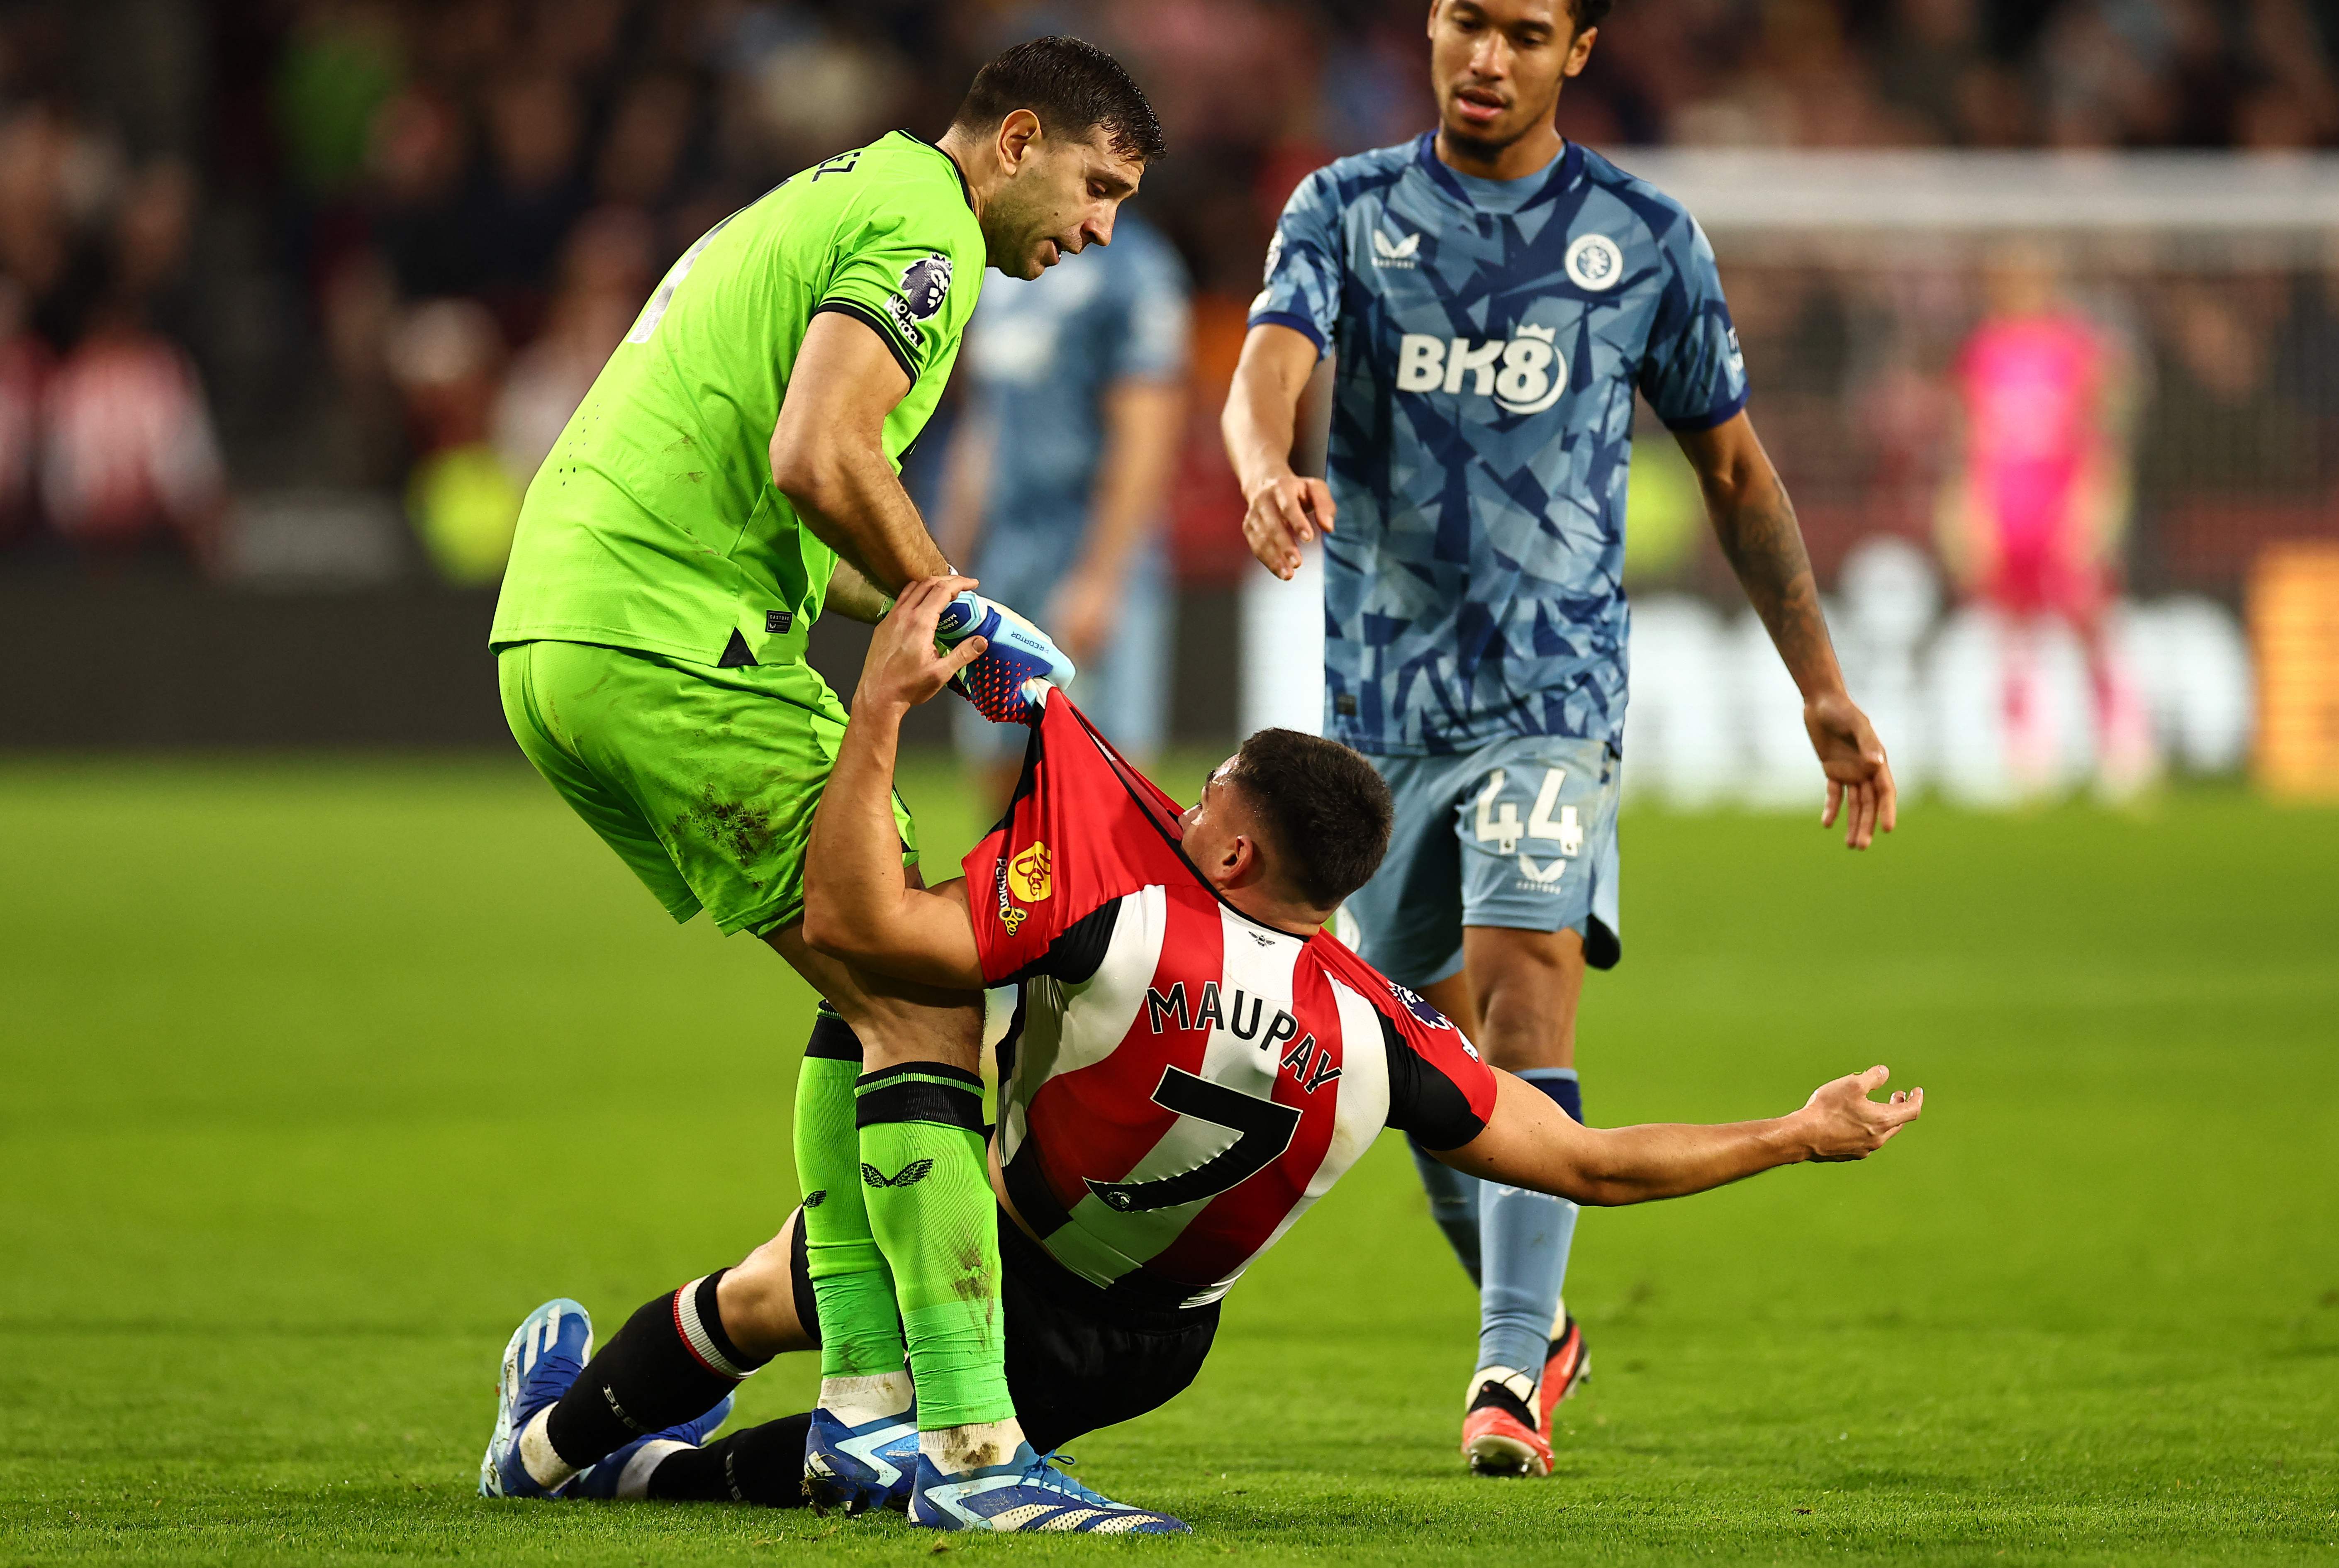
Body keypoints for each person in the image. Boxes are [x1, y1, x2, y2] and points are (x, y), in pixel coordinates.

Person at [477, 577, 1924, 1532]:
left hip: (996, 1250)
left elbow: (862, 925)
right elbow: (1591, 1168)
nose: (1181, 809)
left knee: (806, 1217)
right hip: (1148, 1349)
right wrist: (1794, 1133)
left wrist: (881, 708)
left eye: (1206, 800)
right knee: (850, 1466)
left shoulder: (1117, 921)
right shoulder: (1387, 1028)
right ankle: (667, 1474)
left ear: (1231, 846)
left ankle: (547, 1451)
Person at [478, 37, 1176, 1533]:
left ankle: (858, 1405)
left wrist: (940, 603)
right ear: (1019, 140)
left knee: (874, 976)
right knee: (931, 989)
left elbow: (784, 487)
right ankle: (974, 1447)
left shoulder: (840, 194)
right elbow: (818, 450)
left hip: (566, 630)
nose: (1103, 226)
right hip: (672, 639)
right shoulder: (930, 228)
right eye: (1098, 186)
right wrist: (956, 603)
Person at [1220, 0, 1900, 1478]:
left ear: (1578, 51)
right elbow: (1265, 366)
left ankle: (1506, 1376)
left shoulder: (1645, 239)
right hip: (1380, 714)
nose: (1486, 57)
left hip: (1555, 698)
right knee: (1415, 1063)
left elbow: (1734, 467)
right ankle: (1542, 1324)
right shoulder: (1345, 208)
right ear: (1432, 24)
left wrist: (1822, 683)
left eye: (1526, 32)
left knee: (1526, 1004)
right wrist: (1264, 467)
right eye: (1468, 21)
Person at [937, 207, 1192, 800]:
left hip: (1085, 540)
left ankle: (1107, 899)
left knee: (1102, 767)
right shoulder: (1000, 267)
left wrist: (1102, 577)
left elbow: (1146, 432)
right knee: (997, 760)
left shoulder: (1137, 268)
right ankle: (1013, 897)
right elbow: (983, 423)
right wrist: (944, 561)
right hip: (1005, 549)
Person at [1942, 246, 2151, 799]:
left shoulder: (2077, 348)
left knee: (2090, 624)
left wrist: (2095, 503)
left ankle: (2124, 746)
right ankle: (2026, 754)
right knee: (2011, 635)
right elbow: (1971, 443)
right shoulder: (1982, 351)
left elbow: (2100, 436)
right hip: (2007, 509)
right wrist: (1970, 509)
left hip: (2062, 508)